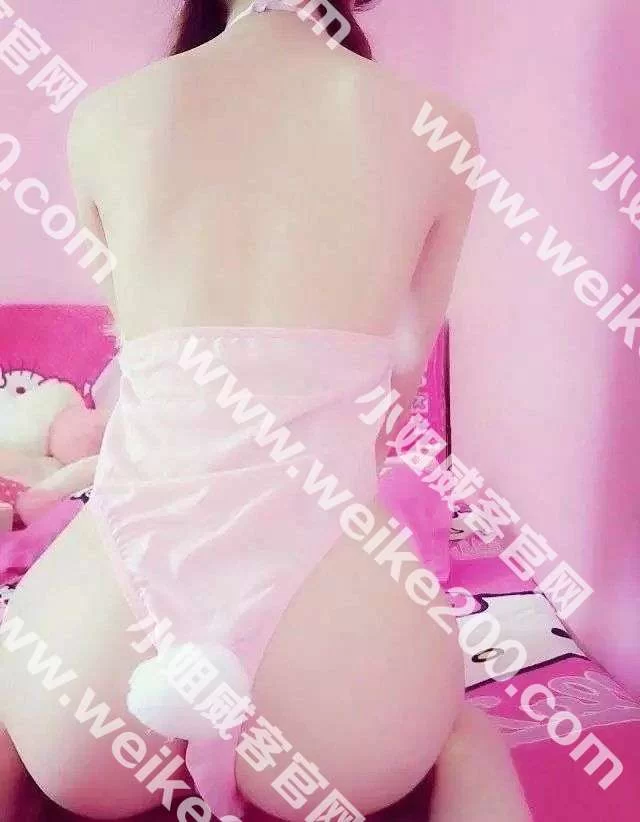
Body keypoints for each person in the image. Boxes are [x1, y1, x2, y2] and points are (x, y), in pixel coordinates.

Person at [0, 2, 532, 820]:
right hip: (336, 655)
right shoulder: (436, 125)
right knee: (462, 733)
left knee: (17, 711)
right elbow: (395, 395)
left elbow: (139, 356)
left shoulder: (104, 117)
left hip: (102, 645)